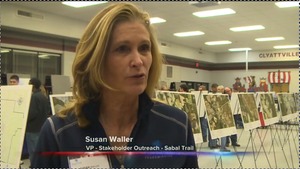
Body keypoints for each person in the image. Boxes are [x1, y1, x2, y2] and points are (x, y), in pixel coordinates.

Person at [31, 3, 199, 168]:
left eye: (144, 48)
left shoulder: (176, 125)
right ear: (96, 60)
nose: (138, 61)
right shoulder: (59, 133)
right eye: (122, 49)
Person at [26, 78, 50, 165]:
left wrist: (24, 117)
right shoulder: (43, 96)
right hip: (41, 127)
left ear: (32, 86)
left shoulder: (34, 97)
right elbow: (47, 110)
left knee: (33, 152)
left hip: (32, 128)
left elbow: (32, 113)